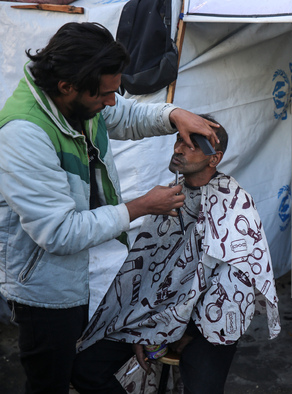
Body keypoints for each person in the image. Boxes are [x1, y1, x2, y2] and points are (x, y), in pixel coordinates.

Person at [0, 22, 219, 393]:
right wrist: (140, 207)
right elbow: (59, 232)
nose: (111, 102)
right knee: (50, 380)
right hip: (46, 289)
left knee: (82, 365)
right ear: (67, 87)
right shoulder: (24, 135)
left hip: (87, 269)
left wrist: (173, 115)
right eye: (104, 94)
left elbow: (124, 115)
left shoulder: (78, 102)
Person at [72, 117, 280, 393]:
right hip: (155, 311)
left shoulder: (235, 203)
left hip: (206, 322)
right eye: (179, 140)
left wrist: (183, 329)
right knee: (84, 369)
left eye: (191, 146)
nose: (179, 149)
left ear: (213, 158)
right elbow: (149, 271)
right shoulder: (169, 196)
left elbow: (233, 286)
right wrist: (146, 324)